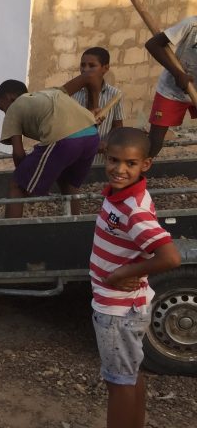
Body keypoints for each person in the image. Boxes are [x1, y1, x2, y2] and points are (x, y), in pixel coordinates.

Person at [89, 127, 181, 428]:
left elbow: (170, 257)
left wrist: (122, 273)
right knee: (129, 375)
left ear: (146, 165)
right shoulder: (120, 195)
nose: (119, 169)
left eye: (130, 163)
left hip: (118, 309)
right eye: (114, 160)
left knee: (119, 383)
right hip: (122, 305)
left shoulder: (134, 210)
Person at [0, 71, 103, 218]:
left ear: (9, 98)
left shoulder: (13, 108)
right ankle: (74, 226)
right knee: (68, 183)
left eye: (2, 108)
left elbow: (18, 153)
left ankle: (10, 234)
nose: (4, 113)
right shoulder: (50, 92)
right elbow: (90, 76)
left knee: (16, 185)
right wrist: (94, 108)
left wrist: (26, 180)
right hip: (91, 135)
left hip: (64, 139)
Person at [144, 15, 197, 157]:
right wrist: (177, 74)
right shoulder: (191, 24)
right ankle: (137, 174)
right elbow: (152, 44)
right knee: (155, 141)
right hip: (172, 89)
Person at [73, 46, 124, 160]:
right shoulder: (72, 93)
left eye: (92, 66)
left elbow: (117, 127)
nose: (85, 69)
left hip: (99, 159)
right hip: (74, 156)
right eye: (83, 65)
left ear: (105, 68)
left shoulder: (114, 94)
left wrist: (105, 142)